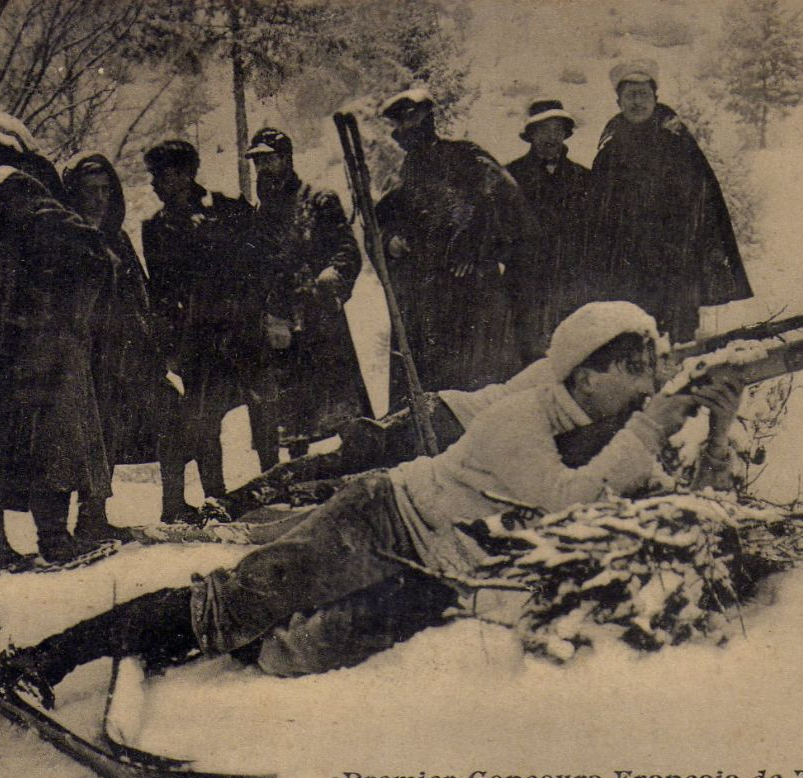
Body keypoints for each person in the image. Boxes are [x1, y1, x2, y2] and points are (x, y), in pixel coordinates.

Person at [0, 301, 744, 702]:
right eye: (633, 373)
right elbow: (563, 504)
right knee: (231, 604)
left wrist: (721, 422)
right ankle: (41, 658)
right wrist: (651, 425)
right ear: (587, 373)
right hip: (380, 518)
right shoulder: (523, 418)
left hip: (434, 572)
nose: (645, 389)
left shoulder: (608, 427)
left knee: (295, 658)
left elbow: (677, 507)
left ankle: (212, 640)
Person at [0, 112, 114, 565]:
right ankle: (53, 539)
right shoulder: (21, 188)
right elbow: (87, 249)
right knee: (53, 441)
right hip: (38, 341)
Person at [374, 88, 531, 408]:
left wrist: (479, 250)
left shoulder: (467, 158)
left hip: (472, 296)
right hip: (424, 301)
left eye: (413, 121)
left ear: (429, 119)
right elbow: (380, 224)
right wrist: (390, 241)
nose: (406, 131)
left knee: (479, 391)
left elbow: (513, 211)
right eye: (400, 126)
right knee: (430, 391)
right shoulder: (401, 176)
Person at [581, 60, 756, 343]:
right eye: (630, 95)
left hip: (675, 263)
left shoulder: (676, 141)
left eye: (643, 94)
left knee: (677, 337)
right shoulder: (610, 146)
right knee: (634, 337)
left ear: (655, 98)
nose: (637, 102)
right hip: (627, 265)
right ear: (619, 101)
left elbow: (703, 199)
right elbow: (598, 210)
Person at [140, 140, 257, 524]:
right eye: (154, 176)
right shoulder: (155, 227)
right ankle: (203, 499)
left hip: (237, 333)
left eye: (164, 174)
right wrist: (168, 345)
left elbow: (254, 270)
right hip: (194, 341)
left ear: (187, 173)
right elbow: (160, 289)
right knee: (199, 420)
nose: (156, 183)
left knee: (264, 409)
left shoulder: (228, 210)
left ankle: (276, 490)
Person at [239, 127, 370, 470]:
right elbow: (254, 271)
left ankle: (360, 464)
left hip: (320, 316)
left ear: (287, 159)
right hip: (280, 322)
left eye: (270, 160)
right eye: (258, 162)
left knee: (339, 400)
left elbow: (346, 250)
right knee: (289, 410)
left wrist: (334, 277)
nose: (264, 169)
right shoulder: (259, 216)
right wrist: (270, 314)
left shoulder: (319, 200)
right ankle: (294, 475)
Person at [60, 153, 167, 543]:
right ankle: (75, 523)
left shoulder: (117, 238)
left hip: (119, 353)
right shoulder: (66, 237)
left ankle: (95, 515)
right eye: (90, 191)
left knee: (109, 433)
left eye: (106, 190)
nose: (99, 199)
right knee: (79, 438)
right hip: (80, 352)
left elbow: (139, 292)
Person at [505, 99, 590, 362]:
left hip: (571, 285)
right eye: (543, 130)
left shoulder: (584, 178)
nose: (551, 137)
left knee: (570, 356)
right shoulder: (509, 177)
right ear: (530, 135)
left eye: (557, 130)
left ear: (566, 134)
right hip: (525, 286)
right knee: (526, 359)